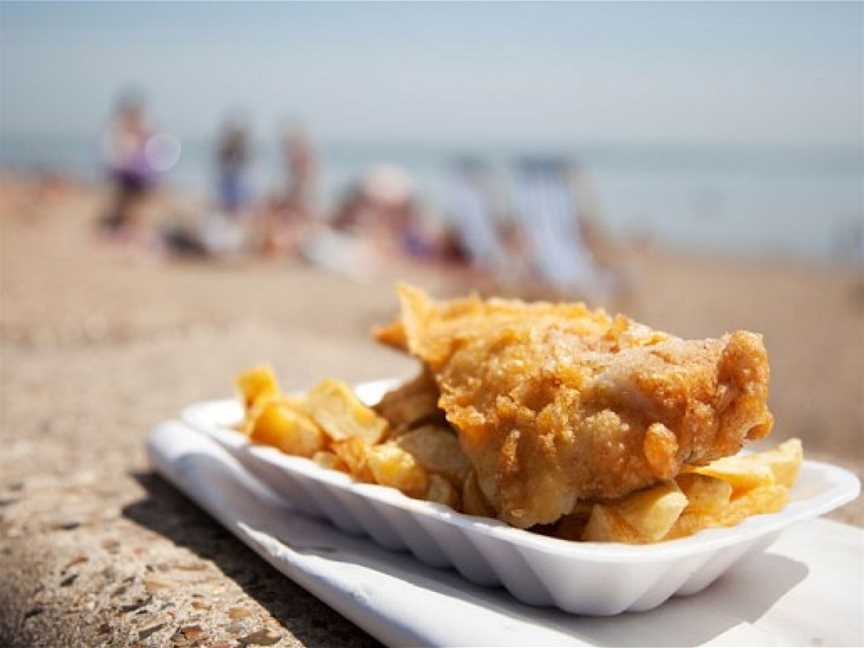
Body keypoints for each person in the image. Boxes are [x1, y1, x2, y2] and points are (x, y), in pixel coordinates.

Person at [100, 93, 157, 235]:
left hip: (136, 173)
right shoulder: (118, 129)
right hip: (125, 172)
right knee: (125, 200)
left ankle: (128, 224)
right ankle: (123, 224)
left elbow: (150, 149)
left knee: (133, 202)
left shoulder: (141, 128)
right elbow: (115, 153)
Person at [215, 118, 252, 218]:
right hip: (231, 179)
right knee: (232, 201)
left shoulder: (237, 148)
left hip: (234, 180)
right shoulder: (228, 148)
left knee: (236, 200)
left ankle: (233, 212)